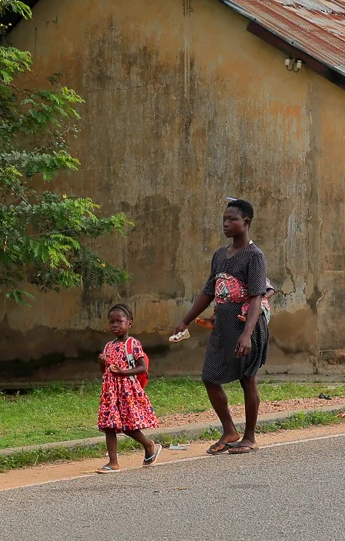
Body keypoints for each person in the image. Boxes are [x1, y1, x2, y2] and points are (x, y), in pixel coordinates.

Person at [170, 197, 270, 454]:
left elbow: (257, 296)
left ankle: (249, 437)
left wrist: (247, 334)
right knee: (210, 377)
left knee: (248, 379)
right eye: (224, 219)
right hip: (223, 325)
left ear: (245, 222)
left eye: (231, 219)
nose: (226, 224)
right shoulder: (219, 255)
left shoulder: (254, 256)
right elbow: (208, 292)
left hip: (245, 323)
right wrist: (185, 320)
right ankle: (229, 430)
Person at [95, 304, 161, 472]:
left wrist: (123, 372)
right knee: (109, 425)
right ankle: (113, 462)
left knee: (128, 425)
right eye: (111, 322)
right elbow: (105, 371)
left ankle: (148, 445)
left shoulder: (133, 344)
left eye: (119, 321)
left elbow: (142, 368)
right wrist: (102, 363)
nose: (115, 325)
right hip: (110, 391)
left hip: (127, 390)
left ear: (129, 323)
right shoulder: (108, 346)